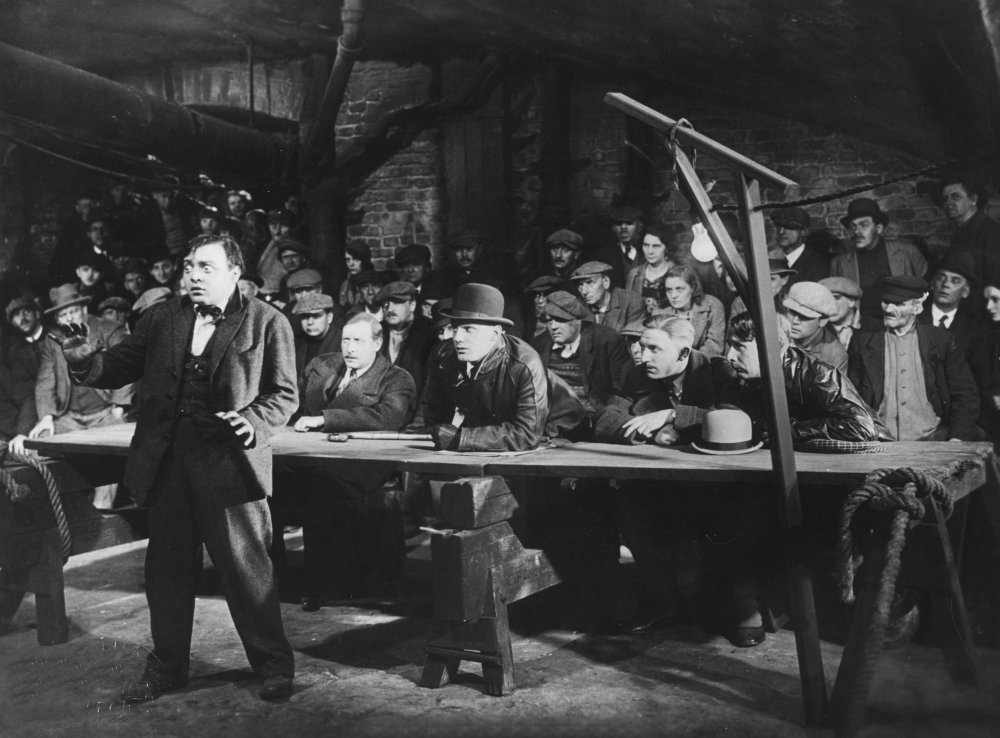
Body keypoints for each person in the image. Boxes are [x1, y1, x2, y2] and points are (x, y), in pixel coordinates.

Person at [51, 234, 298, 701]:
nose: (193, 276)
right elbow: (120, 365)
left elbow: (284, 394)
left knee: (247, 570)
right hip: (168, 463)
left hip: (229, 463)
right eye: (188, 266)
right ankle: (167, 667)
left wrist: (251, 421)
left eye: (205, 267)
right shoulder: (161, 318)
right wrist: (85, 364)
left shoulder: (268, 321)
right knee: (166, 572)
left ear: (234, 273)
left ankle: (273, 665)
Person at [725, 310, 891, 645]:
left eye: (739, 346)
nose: (729, 355)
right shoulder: (748, 381)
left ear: (770, 346)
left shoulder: (817, 373)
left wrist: (788, 431)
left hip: (850, 477)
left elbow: (861, 428)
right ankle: (760, 606)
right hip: (798, 475)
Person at [592, 317, 742, 634]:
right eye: (642, 347)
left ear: (684, 353)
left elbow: (734, 419)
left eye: (654, 349)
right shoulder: (637, 374)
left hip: (716, 482)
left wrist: (673, 416)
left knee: (721, 519)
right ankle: (666, 604)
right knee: (627, 505)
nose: (643, 356)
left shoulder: (717, 370)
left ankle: (733, 609)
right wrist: (648, 432)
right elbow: (606, 419)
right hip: (662, 481)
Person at [285, 312, 416, 608]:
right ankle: (273, 577)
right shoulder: (321, 365)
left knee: (322, 488)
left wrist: (325, 419)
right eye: (346, 340)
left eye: (358, 341)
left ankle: (326, 585)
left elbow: (387, 417)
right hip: (309, 458)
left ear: (377, 343)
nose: (350, 348)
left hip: (363, 466)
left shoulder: (396, 378)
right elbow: (294, 405)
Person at [418, 283, 548, 451]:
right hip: (494, 438)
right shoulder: (444, 355)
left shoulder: (525, 364)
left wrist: (461, 439)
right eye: (455, 329)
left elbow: (527, 435)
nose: (457, 338)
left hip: (555, 433)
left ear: (495, 334)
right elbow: (435, 412)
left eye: (468, 329)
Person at [848, 275, 979, 441]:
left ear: (917, 308)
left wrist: (956, 438)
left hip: (933, 439)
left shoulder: (942, 341)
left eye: (898, 304)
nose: (888, 309)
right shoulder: (863, 341)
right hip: (879, 441)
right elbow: (851, 396)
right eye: (886, 302)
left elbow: (965, 395)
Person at [532, 291, 630, 423]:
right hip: (553, 420)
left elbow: (622, 391)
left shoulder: (607, 340)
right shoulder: (539, 344)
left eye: (560, 320)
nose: (553, 327)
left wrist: (608, 419)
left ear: (577, 320)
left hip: (595, 419)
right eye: (549, 320)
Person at [831, 198, 927, 328]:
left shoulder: (907, 253)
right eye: (852, 227)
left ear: (879, 228)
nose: (857, 231)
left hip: (902, 327)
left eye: (864, 225)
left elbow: (926, 293)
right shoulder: (840, 263)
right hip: (861, 329)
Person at [375, 281, 434, 410]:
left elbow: (431, 383)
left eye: (397, 303)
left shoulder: (430, 334)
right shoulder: (375, 331)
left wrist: (420, 417)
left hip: (414, 409)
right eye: (386, 304)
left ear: (412, 305)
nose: (390, 309)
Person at [918, 250, 984, 360]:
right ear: (932, 283)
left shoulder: (975, 329)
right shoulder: (915, 317)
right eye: (941, 277)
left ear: (965, 291)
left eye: (955, 281)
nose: (946, 284)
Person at [1, 296, 44, 460]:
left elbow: (26, 396)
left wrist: (22, 433)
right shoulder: (14, 350)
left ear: (37, 314)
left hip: (33, 421)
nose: (23, 318)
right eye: (17, 315)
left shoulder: (53, 338)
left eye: (26, 312)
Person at [941, 174, 1000, 290]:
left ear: (973, 200)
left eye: (955, 197)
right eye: (945, 199)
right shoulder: (961, 231)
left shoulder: (991, 232)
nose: (948, 203)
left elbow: (994, 281)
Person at [659, 264, 726, 356]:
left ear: (693, 288)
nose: (673, 295)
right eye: (669, 290)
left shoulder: (713, 306)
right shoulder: (660, 314)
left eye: (679, 289)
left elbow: (714, 347)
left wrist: (687, 361)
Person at [782, 281, 847, 372]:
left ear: (822, 321)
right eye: (792, 312)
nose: (795, 321)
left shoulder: (834, 355)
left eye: (804, 316)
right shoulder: (775, 331)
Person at [569, 261, 645, 334]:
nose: (584, 291)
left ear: (606, 282)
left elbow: (633, 338)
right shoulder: (577, 307)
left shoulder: (631, 300)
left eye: (589, 282)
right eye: (580, 285)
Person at [292, 293, 343, 387]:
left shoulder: (342, 342)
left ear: (329, 317)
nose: (310, 322)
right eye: (305, 316)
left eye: (316, 316)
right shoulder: (296, 343)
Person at [771, 207, 828, 284]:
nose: (781, 232)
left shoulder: (817, 264)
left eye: (788, 227)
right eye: (778, 226)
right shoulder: (770, 258)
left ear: (803, 231)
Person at [592, 204, 645, 288]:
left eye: (629, 223)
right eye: (618, 223)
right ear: (613, 228)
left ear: (640, 227)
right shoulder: (603, 256)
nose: (623, 227)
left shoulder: (649, 252)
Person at [624, 224, 677, 297]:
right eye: (646, 245)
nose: (650, 251)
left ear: (666, 248)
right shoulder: (634, 274)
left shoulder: (677, 273)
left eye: (656, 246)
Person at [819, 276, 862, 349]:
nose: (829, 304)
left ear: (851, 301)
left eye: (835, 298)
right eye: (824, 299)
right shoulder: (816, 329)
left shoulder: (874, 328)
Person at [339, 242, 375, 308]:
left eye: (356, 259)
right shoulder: (345, 285)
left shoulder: (375, 284)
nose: (351, 264)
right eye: (348, 259)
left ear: (364, 260)